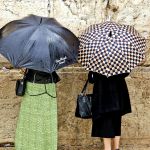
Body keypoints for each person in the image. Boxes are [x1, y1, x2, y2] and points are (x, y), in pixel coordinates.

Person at [15, 69, 60, 150]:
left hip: (33, 86)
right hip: (49, 87)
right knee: (46, 123)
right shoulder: (52, 59)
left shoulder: (31, 56)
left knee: (29, 122)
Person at [88, 71, 131, 150]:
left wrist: (95, 73)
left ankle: (108, 148)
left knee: (106, 123)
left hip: (103, 98)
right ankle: (116, 148)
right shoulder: (119, 60)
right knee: (116, 121)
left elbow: (91, 79)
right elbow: (126, 73)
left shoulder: (97, 61)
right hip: (118, 96)